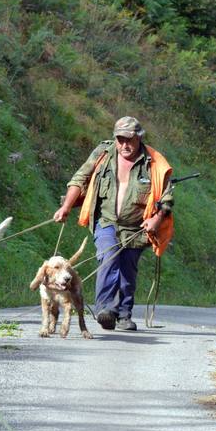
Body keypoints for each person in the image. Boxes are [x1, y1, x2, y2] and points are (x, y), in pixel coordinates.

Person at [52, 116, 174, 332]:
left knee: (128, 270)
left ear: (139, 138)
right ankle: (106, 310)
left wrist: (156, 219)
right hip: (106, 221)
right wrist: (66, 207)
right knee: (108, 260)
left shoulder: (154, 163)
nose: (124, 145)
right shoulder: (103, 155)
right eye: (120, 140)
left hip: (137, 227)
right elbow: (79, 179)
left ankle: (124, 315)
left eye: (129, 140)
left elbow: (166, 199)